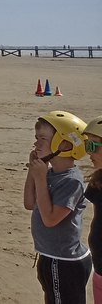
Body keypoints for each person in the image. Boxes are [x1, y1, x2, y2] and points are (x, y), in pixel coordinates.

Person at [25, 111, 91, 303]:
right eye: (36, 138)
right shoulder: (50, 174)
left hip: (65, 262)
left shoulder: (72, 181)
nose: (36, 144)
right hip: (49, 255)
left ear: (64, 145)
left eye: (43, 139)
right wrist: (34, 171)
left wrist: (40, 178)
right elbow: (29, 203)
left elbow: (50, 219)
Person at [81, 115, 102, 302]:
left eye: (93, 146)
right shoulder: (97, 181)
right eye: (87, 145)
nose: (89, 152)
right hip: (99, 270)